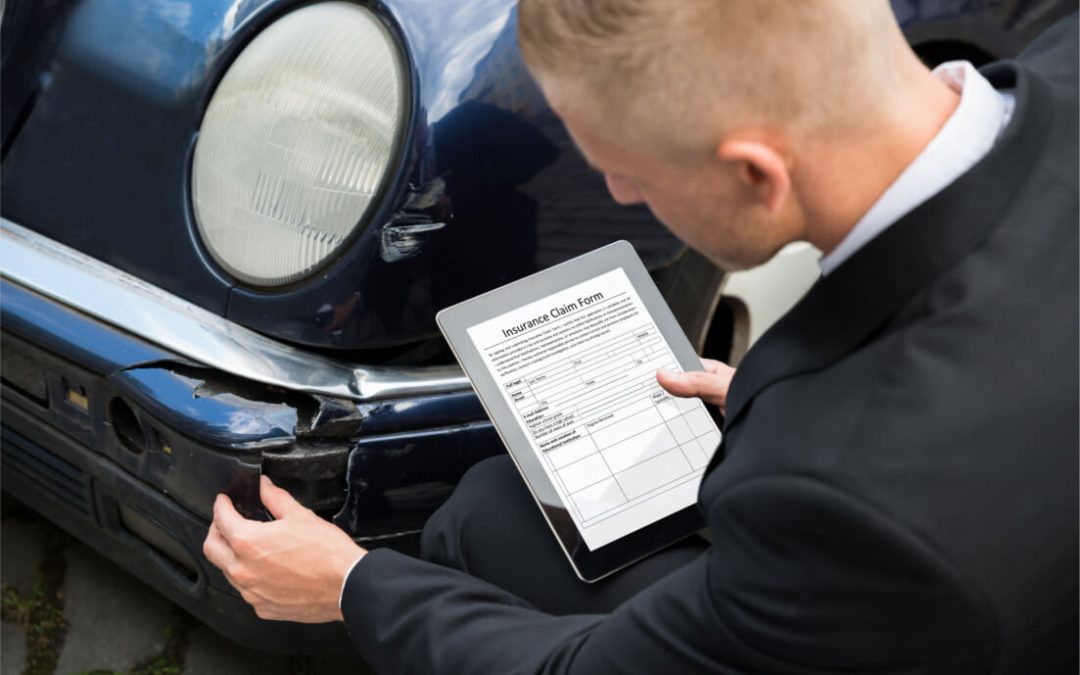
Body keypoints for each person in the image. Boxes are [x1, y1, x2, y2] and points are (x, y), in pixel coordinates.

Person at [202, 2, 1078, 672]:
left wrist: (350, 586)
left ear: (754, 174)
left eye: (627, 167)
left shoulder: (854, 510)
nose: (617, 190)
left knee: (481, 519)